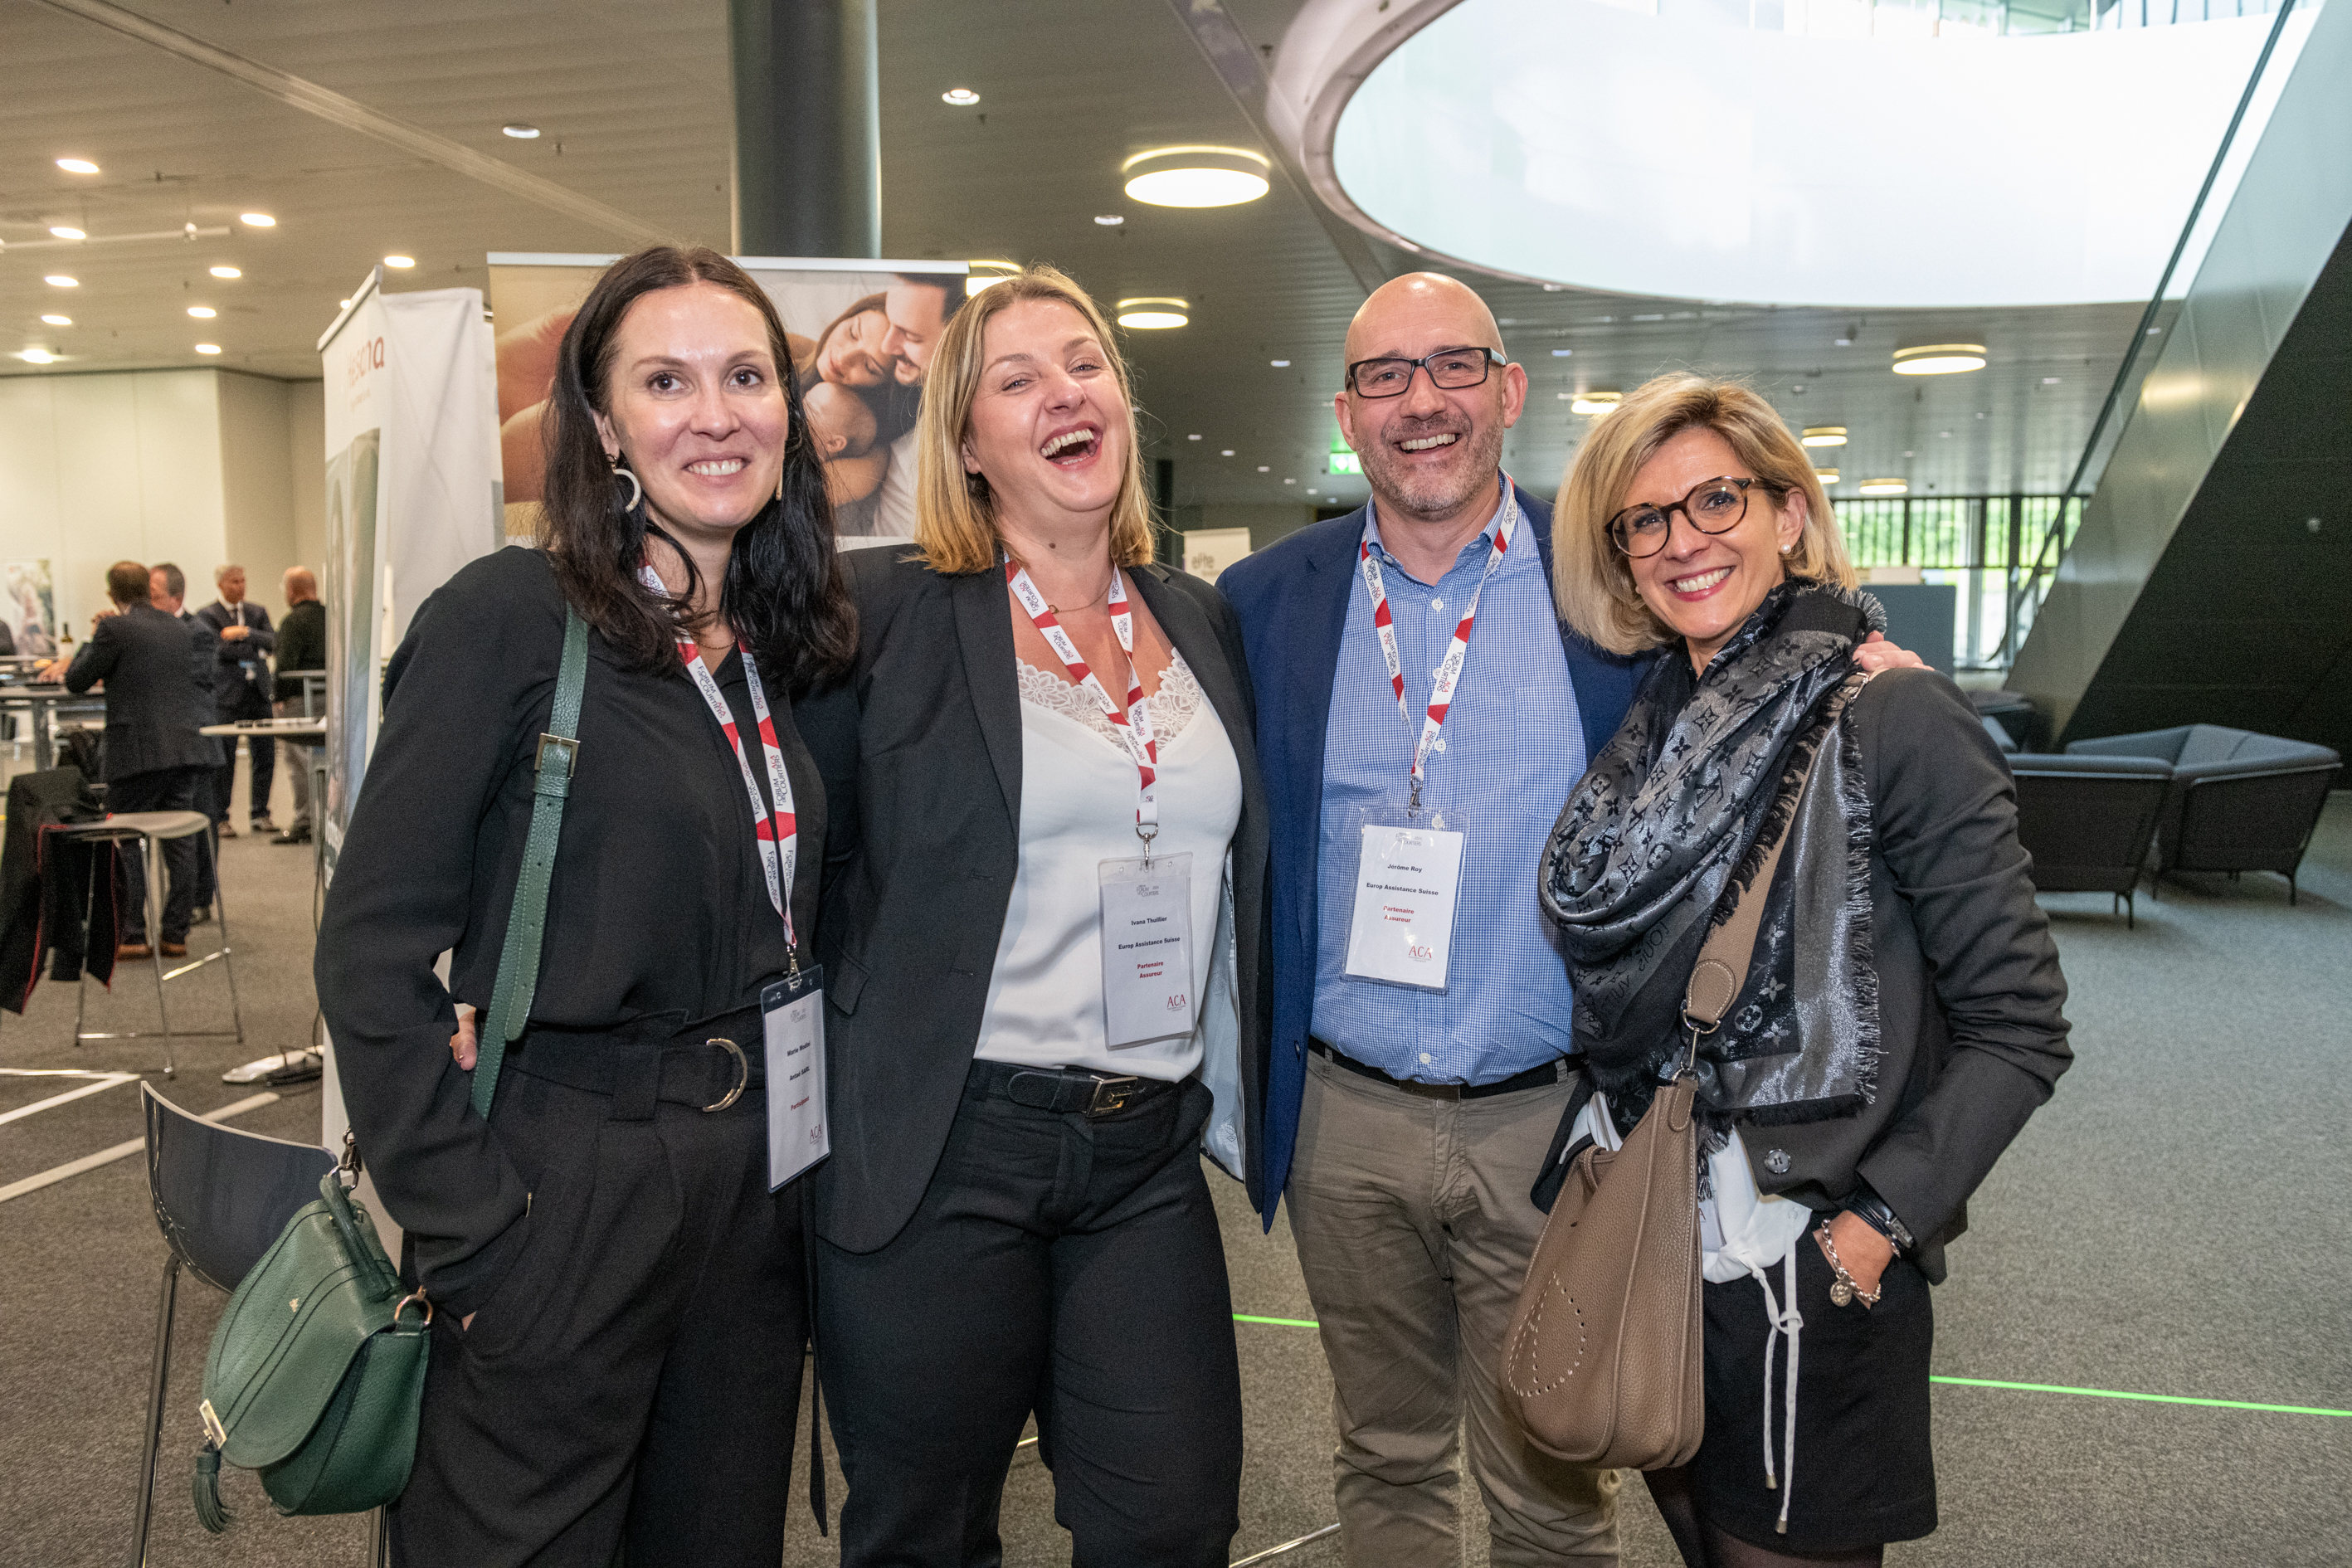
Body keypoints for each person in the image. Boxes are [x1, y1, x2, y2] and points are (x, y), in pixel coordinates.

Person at [1216, 275, 1921, 1567]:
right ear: (1346, 411)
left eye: (1453, 366)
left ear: (1508, 392)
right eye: (1383, 375)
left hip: (1547, 1120)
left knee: (1552, 1471)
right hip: (1340, 1119)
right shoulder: (1268, 597)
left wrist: (1853, 649)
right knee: (1382, 1449)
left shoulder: (1604, 573)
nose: (1420, 400)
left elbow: (1744, 631)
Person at [315, 243, 855, 1566]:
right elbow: (369, 948)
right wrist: (473, 1232)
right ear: (604, 426)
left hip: (753, 1191)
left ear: (787, 413)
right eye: (665, 381)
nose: (715, 414)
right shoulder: (511, 616)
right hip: (561, 1183)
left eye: (745, 377)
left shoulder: (776, 642)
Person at [1540, 374, 2071, 1566]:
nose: (1682, 541)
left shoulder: (1893, 713)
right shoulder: (1660, 723)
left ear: (1787, 512)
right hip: (1662, 1239)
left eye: (1715, 500)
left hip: (1808, 1259)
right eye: (1645, 520)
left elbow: (2020, 1024)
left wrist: (1874, 1228)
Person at [799, 265, 1269, 1566]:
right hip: (946, 1143)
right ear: (966, 443)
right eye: (1016, 380)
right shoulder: (881, 613)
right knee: (924, 1532)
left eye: (1083, 363)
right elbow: (775, 850)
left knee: (1171, 1521)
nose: (1064, 392)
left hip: (1145, 1151)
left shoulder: (1195, 617)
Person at [55, 561, 217, 960]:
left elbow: (76, 681)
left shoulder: (113, 628)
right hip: (184, 750)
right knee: (180, 843)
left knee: (127, 840)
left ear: (112, 595)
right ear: (148, 588)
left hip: (135, 754)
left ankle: (131, 934)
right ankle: (175, 935)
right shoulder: (181, 628)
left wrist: (95, 636)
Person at [150, 562, 226, 913]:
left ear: (176, 598)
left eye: (154, 596)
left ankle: (200, 899)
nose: (148, 604)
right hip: (165, 744)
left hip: (195, 743)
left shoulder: (197, 632)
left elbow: (186, 680)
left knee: (200, 821)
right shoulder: (150, 633)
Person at [194, 563, 276, 836]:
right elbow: (217, 651)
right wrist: (252, 648)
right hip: (227, 695)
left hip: (258, 692)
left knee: (265, 755)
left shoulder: (257, 612)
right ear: (221, 584)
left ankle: (260, 813)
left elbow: (273, 642)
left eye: (243, 581)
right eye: (234, 582)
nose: (241, 586)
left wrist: (245, 633)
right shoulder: (207, 615)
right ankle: (221, 817)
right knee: (225, 759)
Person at [270, 566, 325, 845]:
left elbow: (285, 664)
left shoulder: (293, 622)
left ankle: (305, 821)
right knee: (328, 761)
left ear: (292, 591)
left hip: (301, 702)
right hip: (332, 700)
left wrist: (278, 697)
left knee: (299, 762)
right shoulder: (333, 617)